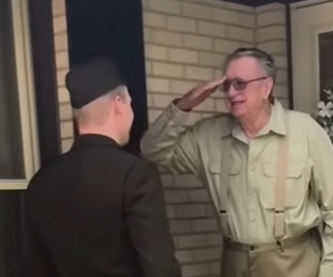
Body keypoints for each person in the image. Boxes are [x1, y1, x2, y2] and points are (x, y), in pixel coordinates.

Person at [141, 47, 333, 277]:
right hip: (235, 263)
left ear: (266, 87)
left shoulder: (306, 131)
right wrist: (183, 106)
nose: (231, 93)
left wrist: (328, 271)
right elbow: (151, 151)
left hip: (297, 265)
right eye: (227, 85)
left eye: (240, 83)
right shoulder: (207, 135)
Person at [25, 58, 181, 277]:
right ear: (118, 103)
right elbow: (161, 269)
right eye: (130, 103)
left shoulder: (41, 181)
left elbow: (35, 268)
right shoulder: (135, 174)